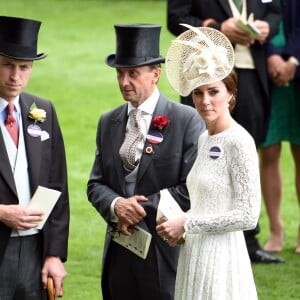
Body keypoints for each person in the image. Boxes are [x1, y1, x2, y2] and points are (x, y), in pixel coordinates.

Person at [86, 24, 204, 300]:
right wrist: (116, 206)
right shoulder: (108, 121)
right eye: (120, 73)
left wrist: (137, 209)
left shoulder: (186, 120)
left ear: (155, 74)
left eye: (133, 74)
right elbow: (95, 184)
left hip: (165, 251)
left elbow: (192, 188)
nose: (124, 82)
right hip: (119, 252)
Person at [167, 0, 284, 263]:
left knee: (244, 147)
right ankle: (188, 224)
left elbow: (274, 9)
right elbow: (177, 18)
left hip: (252, 72)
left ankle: (248, 240)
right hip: (206, 72)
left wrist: (268, 27)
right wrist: (219, 29)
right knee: (199, 151)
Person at [157, 25, 260, 299]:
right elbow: (205, 203)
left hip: (223, 257)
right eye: (198, 93)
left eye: (213, 91)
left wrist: (187, 224)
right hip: (194, 253)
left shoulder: (239, 141)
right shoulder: (204, 138)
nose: (205, 101)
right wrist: (179, 223)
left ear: (231, 94)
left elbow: (248, 215)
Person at [0, 16, 69, 299]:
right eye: (7, 65)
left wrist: (54, 254)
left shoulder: (43, 111)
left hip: (35, 253)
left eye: (24, 67)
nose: (16, 76)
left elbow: (58, 187)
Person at [260, 0, 300, 254]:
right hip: (266, 72)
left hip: (298, 73)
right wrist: (271, 55)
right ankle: (276, 229)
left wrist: (293, 60)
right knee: (269, 151)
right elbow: (255, 16)